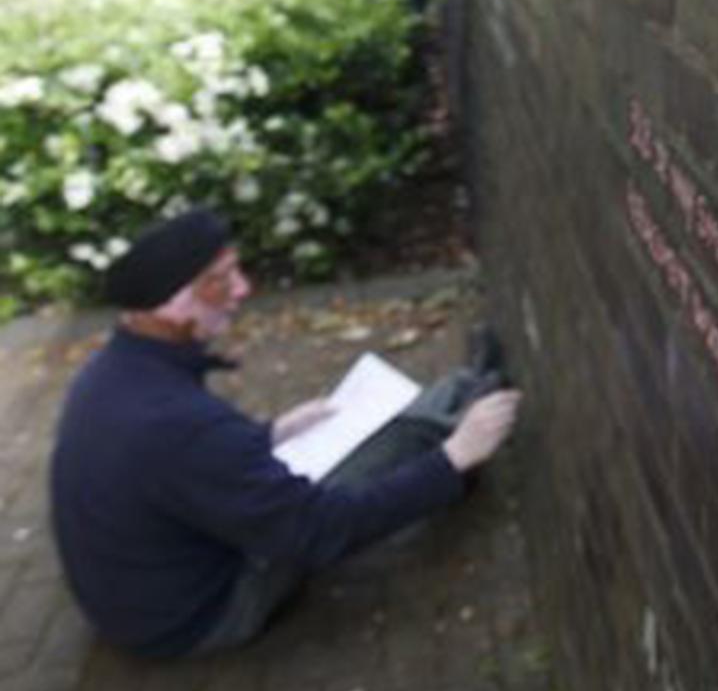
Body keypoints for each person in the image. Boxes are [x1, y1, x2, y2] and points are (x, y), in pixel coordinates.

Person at [49, 209, 522, 659]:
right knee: (357, 470)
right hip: (202, 616)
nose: (243, 288)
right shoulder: (181, 426)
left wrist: (268, 435)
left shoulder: (113, 370)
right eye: (222, 279)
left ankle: (458, 396)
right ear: (174, 303)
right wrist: (452, 459)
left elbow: (174, 468)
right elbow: (320, 532)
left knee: (332, 444)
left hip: (139, 603)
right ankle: (461, 417)